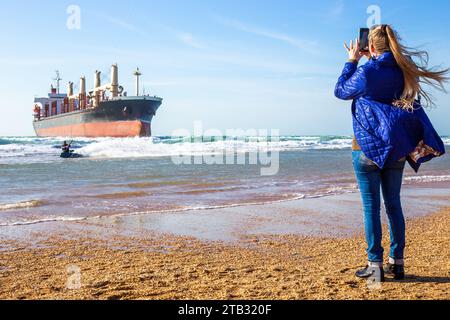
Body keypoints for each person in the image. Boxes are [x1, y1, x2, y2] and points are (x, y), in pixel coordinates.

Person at [335, 25, 448, 282]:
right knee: (394, 205)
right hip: (397, 146)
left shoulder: (366, 71)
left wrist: (351, 60)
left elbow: (341, 91)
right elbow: (390, 88)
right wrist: (371, 60)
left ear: (370, 47)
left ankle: (374, 264)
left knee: (371, 208)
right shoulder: (405, 70)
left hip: (366, 149)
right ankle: (397, 265)